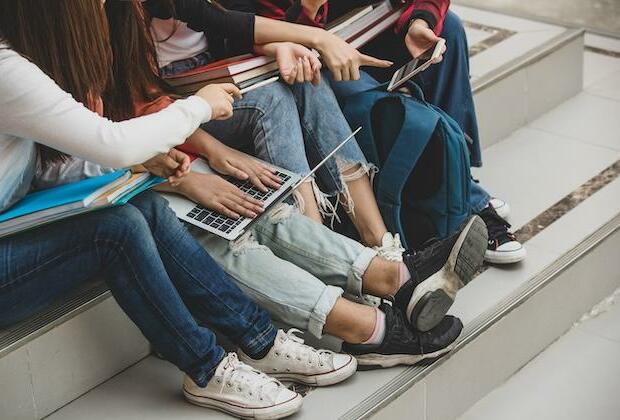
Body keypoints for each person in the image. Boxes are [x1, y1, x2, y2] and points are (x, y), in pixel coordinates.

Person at [0, 1, 360, 418]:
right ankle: (207, 370)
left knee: (148, 208)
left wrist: (138, 162)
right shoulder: (6, 69)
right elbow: (111, 141)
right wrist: (198, 108)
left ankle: (259, 340)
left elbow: (50, 168)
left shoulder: (20, 56)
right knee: (117, 230)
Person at [228, 0, 526, 264]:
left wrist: (418, 21)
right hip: (307, 54)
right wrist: (307, 11)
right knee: (370, 96)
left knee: (448, 27)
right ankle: (464, 200)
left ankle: (457, 182)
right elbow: (256, 33)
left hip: (362, 29)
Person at [144, 0, 412, 259]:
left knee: (309, 82)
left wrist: (279, 46)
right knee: (273, 97)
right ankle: (330, 254)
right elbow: (220, 19)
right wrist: (318, 37)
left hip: (221, 72)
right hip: (170, 96)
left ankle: (381, 244)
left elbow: (236, 27)